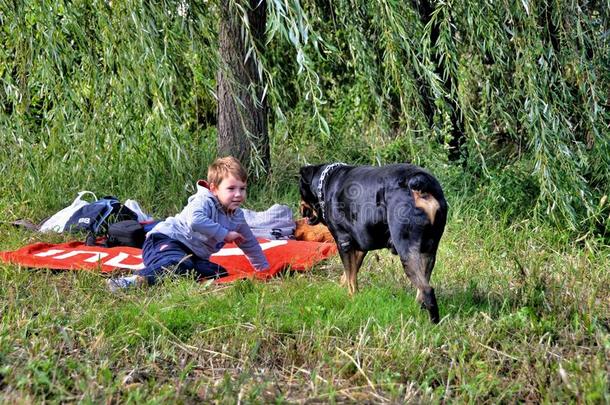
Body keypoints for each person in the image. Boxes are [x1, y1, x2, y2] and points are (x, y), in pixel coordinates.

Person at [107, 156, 269, 291]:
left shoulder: (237, 216)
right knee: (176, 265)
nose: (238, 194)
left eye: (242, 188)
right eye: (231, 188)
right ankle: (131, 281)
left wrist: (264, 270)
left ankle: (169, 270)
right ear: (214, 189)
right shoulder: (204, 201)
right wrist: (224, 234)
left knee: (217, 272)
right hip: (166, 240)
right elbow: (195, 221)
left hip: (192, 253)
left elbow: (250, 244)